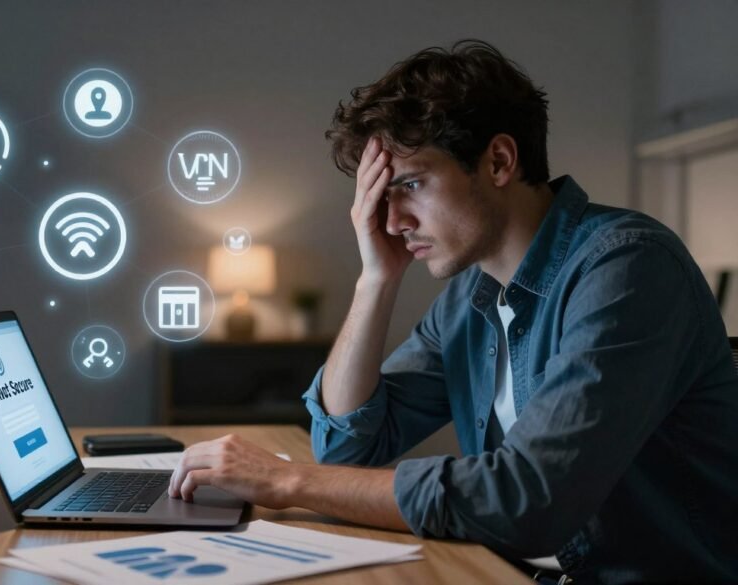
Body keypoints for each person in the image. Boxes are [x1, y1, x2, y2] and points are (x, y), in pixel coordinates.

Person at [167, 40, 738, 584]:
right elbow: (346, 446)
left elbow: (529, 498)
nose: (393, 222)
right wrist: (376, 280)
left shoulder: (628, 267)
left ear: (498, 161)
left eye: (411, 184)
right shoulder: (470, 297)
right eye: (382, 196)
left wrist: (288, 480)